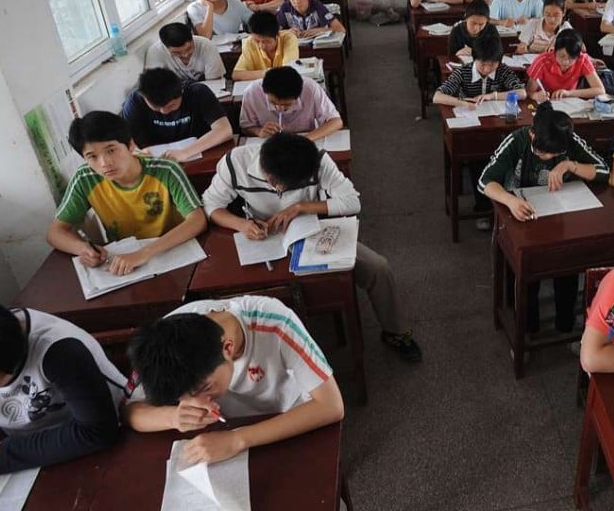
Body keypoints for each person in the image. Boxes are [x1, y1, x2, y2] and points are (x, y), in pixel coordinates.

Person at [201, 133, 422, 361]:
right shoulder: (235, 162)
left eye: (288, 188)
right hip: (261, 238)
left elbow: (352, 201)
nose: (279, 191)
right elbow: (210, 204)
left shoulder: (315, 160)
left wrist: (300, 207)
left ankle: (395, 331)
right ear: (266, 172)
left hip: (309, 231)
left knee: (378, 267)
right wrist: (242, 224)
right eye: (276, 185)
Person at [123, 295, 344, 465]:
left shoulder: (275, 322)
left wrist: (238, 439)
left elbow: (331, 405)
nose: (198, 402)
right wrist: (173, 416)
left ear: (227, 347)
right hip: (222, 437)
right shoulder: (163, 342)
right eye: (183, 395)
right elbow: (129, 412)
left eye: (205, 388)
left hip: (285, 417)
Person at [479, 102, 609, 333]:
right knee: (525, 277)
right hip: (523, 213)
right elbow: (485, 181)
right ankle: (527, 330)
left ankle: (565, 326)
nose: (548, 157)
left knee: (567, 270)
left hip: (560, 215)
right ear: (532, 134)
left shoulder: (568, 139)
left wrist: (569, 164)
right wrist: (510, 200)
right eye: (542, 152)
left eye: (554, 154)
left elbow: (603, 171)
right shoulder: (517, 140)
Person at [47, 112, 207, 275]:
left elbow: (197, 220)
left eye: (111, 151)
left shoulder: (166, 170)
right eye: (92, 156)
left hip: (175, 252)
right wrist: (84, 249)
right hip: (127, 263)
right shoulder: (85, 179)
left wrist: (144, 253)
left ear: (130, 145)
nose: (104, 163)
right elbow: (55, 233)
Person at [0, 305, 127, 473]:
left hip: (113, 437)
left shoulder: (59, 351)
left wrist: (2, 454)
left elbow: (97, 432)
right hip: (32, 454)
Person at [435, 31, 527, 228]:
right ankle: (484, 209)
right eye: (482, 64)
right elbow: (438, 97)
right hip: (472, 128)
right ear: (474, 59)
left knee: (512, 157)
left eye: (492, 65)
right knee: (480, 159)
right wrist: (461, 102)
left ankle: (508, 204)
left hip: (499, 125)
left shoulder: (502, 71)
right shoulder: (464, 72)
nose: (486, 69)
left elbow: (522, 92)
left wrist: (494, 96)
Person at [121, 68, 233, 161]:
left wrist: (185, 152)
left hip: (201, 153)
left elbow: (224, 130)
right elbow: (126, 143)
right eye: (156, 107)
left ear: (181, 91)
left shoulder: (197, 92)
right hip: (159, 160)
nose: (164, 111)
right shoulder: (135, 102)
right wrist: (140, 154)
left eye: (171, 106)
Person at [240, 66, 342, 141]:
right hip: (270, 144)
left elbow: (336, 121)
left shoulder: (310, 89)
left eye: (287, 105)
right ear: (265, 91)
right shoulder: (252, 93)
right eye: (273, 102)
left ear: (298, 95)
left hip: (304, 141)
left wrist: (305, 139)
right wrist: (259, 131)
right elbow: (245, 127)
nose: (279, 108)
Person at [526, 29, 606, 102]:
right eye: (561, 56)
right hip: (545, 103)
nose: (565, 62)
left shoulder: (583, 60)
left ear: (578, 56)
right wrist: (535, 95)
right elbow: (529, 91)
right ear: (554, 51)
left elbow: (600, 90)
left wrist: (569, 93)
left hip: (568, 103)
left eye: (571, 58)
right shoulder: (542, 61)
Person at [144, 22, 225, 85]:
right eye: (177, 52)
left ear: (192, 38)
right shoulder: (155, 52)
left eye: (189, 48)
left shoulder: (206, 46)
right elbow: (154, 85)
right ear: (165, 47)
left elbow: (214, 83)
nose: (185, 55)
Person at [232, 11, 299, 81]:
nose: (261, 46)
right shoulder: (249, 42)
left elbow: (288, 72)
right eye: (257, 41)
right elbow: (236, 74)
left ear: (277, 36)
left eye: (267, 41)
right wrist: (267, 73)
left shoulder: (289, 39)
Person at [276, 0, 346, 38]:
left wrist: (319, 30)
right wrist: (286, 32)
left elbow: (340, 29)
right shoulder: (284, 8)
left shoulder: (318, 7)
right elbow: (271, 32)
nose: (297, 1)